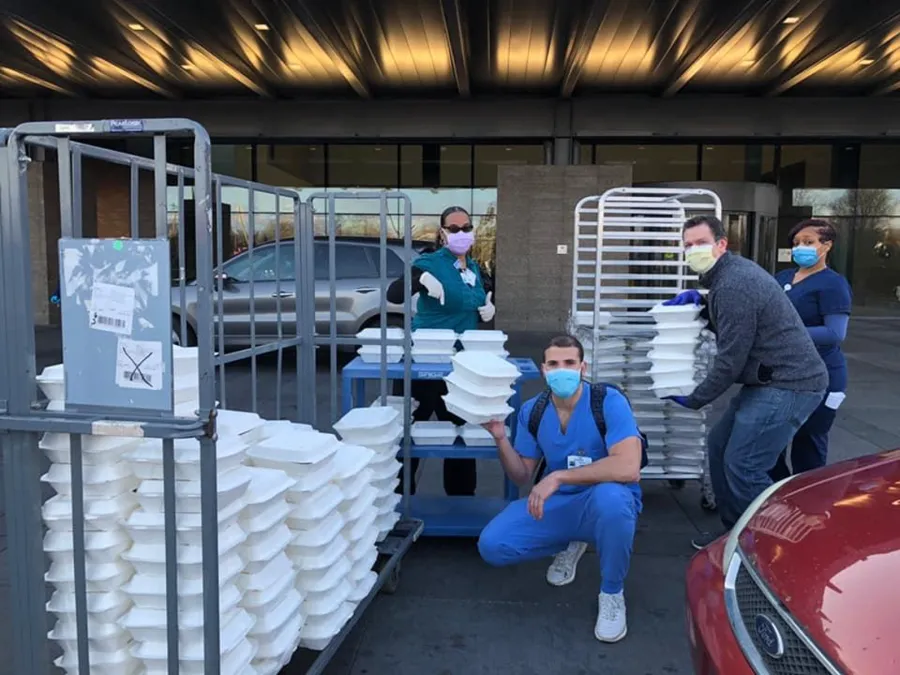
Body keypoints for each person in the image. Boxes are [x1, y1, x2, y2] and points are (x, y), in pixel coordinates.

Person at [663, 215, 827, 550]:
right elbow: (739, 323)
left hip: (790, 383)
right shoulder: (728, 278)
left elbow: (730, 360)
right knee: (719, 446)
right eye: (688, 245)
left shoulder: (733, 285)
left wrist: (696, 397)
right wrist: (703, 305)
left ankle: (779, 544)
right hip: (769, 379)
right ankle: (734, 533)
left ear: (722, 244)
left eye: (701, 243)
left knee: (745, 464)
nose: (693, 250)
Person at [477, 335, 643, 643]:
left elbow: (628, 467)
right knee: (492, 545)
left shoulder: (608, 401)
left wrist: (558, 478)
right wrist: (500, 438)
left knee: (612, 501)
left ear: (583, 367)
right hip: (561, 503)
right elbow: (521, 475)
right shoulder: (533, 411)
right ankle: (570, 541)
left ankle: (611, 593)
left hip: (603, 497)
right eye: (553, 364)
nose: (561, 370)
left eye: (569, 363)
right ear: (543, 370)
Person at [385, 205, 495, 496]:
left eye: (466, 228)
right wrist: (419, 279)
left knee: (461, 435)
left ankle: (461, 501)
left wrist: (489, 309)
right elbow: (393, 294)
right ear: (442, 232)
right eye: (454, 228)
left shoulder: (475, 268)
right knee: (409, 435)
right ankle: (398, 505)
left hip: (462, 366)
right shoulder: (428, 263)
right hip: (425, 362)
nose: (461, 233)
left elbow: (481, 301)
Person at [769, 219, 852, 480]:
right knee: (770, 447)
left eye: (808, 242)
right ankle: (778, 498)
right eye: (796, 243)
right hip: (785, 375)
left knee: (808, 447)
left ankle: (809, 501)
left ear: (827, 246)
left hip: (822, 376)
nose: (800, 248)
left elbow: (834, 334)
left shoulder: (833, 284)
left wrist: (786, 334)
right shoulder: (783, 278)